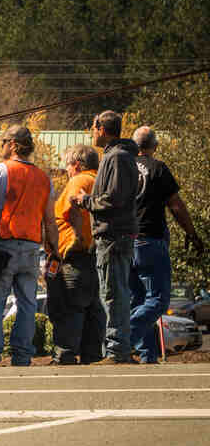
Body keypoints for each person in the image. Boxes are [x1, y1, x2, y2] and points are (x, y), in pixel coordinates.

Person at [0, 125, 60, 367]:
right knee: (28, 303)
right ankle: (22, 355)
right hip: (31, 248)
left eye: (2, 143)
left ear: (11, 144)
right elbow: (50, 220)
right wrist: (54, 248)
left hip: (2, 247)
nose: (1, 148)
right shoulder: (44, 178)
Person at [128, 126, 205, 363]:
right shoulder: (158, 168)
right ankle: (122, 337)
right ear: (155, 146)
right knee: (158, 300)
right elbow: (176, 205)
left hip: (125, 242)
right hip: (150, 239)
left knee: (138, 301)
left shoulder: (123, 167)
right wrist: (191, 233)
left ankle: (146, 355)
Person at [70, 111, 140, 364]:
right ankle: (116, 348)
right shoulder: (115, 156)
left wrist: (84, 200)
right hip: (114, 235)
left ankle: (117, 350)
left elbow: (113, 199)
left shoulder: (118, 158)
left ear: (102, 129)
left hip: (113, 236)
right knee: (113, 292)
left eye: (93, 126)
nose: (91, 131)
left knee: (113, 293)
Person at [46, 144, 105, 364]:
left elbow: (71, 206)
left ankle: (65, 355)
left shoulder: (79, 181)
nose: (67, 171)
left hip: (73, 254)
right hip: (91, 254)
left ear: (77, 165)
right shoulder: (99, 180)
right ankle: (91, 355)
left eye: (68, 166)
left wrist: (77, 236)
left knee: (68, 306)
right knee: (91, 307)